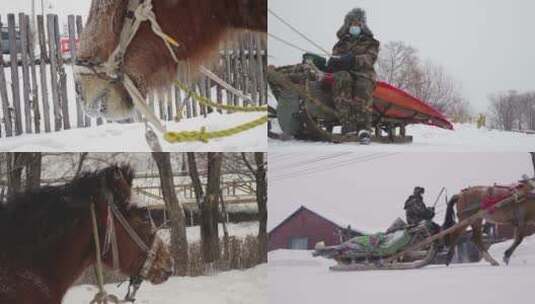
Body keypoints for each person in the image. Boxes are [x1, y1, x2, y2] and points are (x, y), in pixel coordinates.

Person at [325, 8, 380, 144]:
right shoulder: (341, 43)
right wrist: (334, 62)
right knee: (341, 78)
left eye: (357, 24)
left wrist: (353, 59)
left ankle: (364, 129)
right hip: (345, 73)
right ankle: (347, 124)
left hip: (364, 74)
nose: (354, 27)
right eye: (352, 24)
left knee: (362, 86)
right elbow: (335, 57)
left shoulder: (371, 43)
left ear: (362, 25)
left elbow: (370, 58)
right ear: (347, 25)